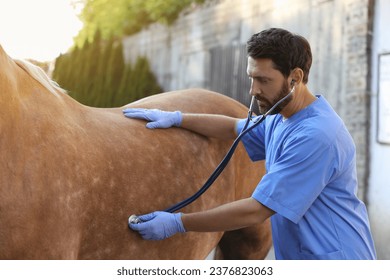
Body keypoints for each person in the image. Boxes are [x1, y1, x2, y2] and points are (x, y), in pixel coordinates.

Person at [122, 28, 376, 260]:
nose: (253, 90)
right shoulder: (284, 117)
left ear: (295, 78)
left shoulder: (316, 136)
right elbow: (234, 126)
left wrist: (179, 223)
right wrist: (177, 118)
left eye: (264, 80)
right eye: (251, 77)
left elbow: (256, 210)